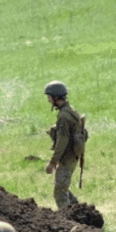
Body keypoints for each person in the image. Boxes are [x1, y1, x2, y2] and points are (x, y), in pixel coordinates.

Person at [42, 80, 86, 210]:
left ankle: (69, 220)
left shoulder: (64, 116)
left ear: (56, 97)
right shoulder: (71, 110)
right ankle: (79, 212)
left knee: (60, 193)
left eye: (49, 97)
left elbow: (62, 141)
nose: (49, 100)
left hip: (68, 158)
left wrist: (53, 162)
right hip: (72, 156)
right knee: (63, 188)